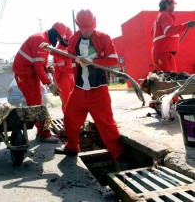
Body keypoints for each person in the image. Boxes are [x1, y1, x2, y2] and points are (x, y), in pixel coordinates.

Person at [54, 9, 125, 166]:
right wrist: (77, 63)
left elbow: (113, 59)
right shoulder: (73, 40)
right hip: (79, 89)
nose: (87, 30)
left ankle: (119, 156)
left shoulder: (103, 37)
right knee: (70, 118)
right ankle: (72, 147)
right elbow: (71, 61)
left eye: (89, 27)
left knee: (106, 123)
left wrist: (93, 62)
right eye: (83, 27)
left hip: (98, 89)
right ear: (78, 25)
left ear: (94, 24)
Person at [12, 22, 67, 143]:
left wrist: (47, 68)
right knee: (36, 103)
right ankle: (44, 134)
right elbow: (37, 67)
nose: (57, 41)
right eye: (58, 38)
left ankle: (41, 131)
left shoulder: (44, 41)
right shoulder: (40, 40)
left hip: (28, 72)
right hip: (25, 73)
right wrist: (50, 84)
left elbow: (40, 64)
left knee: (37, 102)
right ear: (54, 33)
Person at [151, 0, 195, 72]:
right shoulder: (165, 15)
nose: (174, 6)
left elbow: (153, 35)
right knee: (171, 80)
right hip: (164, 53)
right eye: (173, 4)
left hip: (162, 52)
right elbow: (168, 31)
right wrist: (186, 25)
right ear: (167, 4)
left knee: (167, 79)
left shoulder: (158, 18)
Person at [52, 27, 75, 113]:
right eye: (66, 40)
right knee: (66, 102)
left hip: (70, 77)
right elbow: (62, 68)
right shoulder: (58, 51)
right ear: (61, 39)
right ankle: (68, 122)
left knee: (73, 101)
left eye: (70, 40)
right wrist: (76, 69)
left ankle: (73, 120)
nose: (68, 43)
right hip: (62, 79)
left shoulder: (68, 48)